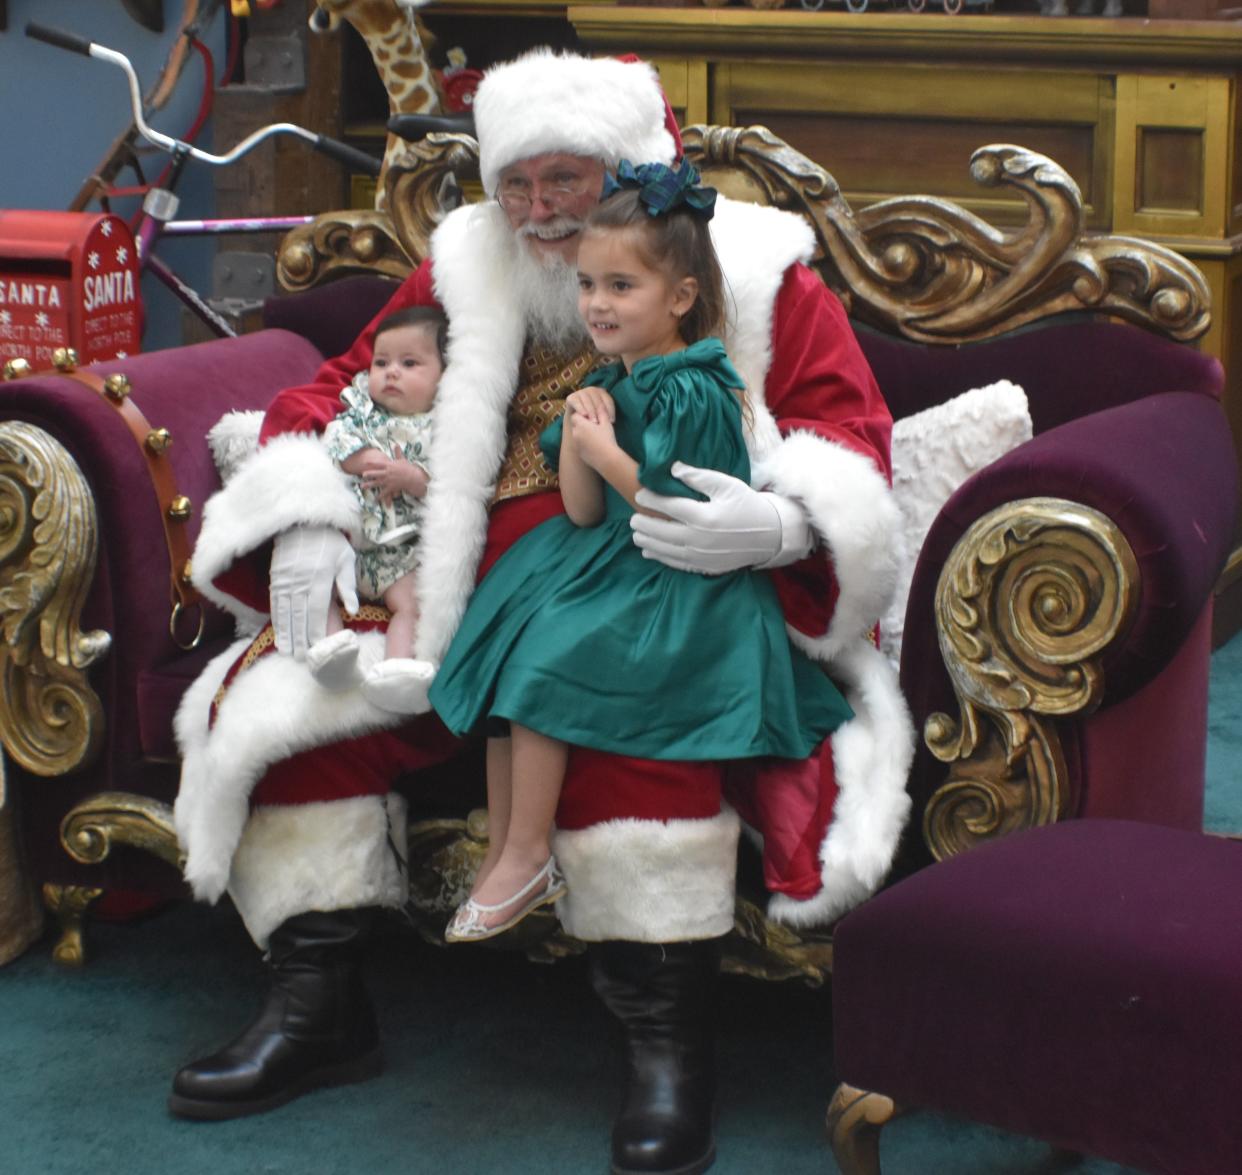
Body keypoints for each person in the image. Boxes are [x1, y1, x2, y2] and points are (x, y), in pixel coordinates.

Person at [172, 48, 913, 1175]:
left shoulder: (755, 266)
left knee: (628, 722)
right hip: (459, 588)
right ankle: (318, 1003)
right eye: (515, 183)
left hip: (653, 591)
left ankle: (668, 1044)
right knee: (296, 699)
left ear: (626, 172)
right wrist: (317, 496)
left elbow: (848, 433)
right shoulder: (471, 261)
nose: (536, 212)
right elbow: (346, 379)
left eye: (563, 182)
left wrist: (779, 525)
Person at [432, 162, 856, 945]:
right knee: (496, 645)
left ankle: (528, 852)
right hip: (613, 553)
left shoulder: (693, 386)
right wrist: (578, 431)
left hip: (682, 579)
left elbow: (682, 508)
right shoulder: (610, 376)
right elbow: (581, 508)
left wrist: (603, 443)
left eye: (620, 287)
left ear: (682, 298)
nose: (596, 303)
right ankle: (505, 853)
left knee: (542, 663)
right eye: (589, 285)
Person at [309, 306, 442, 707]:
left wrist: (414, 478)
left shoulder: (443, 426)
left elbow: (454, 488)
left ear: (444, 376)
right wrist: (363, 458)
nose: (391, 373)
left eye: (409, 363)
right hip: (352, 544)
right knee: (317, 584)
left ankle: (398, 670)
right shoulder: (363, 413)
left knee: (412, 604)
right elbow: (333, 439)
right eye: (381, 362)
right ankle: (332, 652)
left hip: (403, 554)